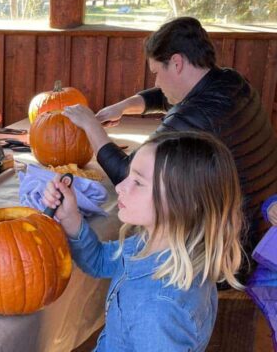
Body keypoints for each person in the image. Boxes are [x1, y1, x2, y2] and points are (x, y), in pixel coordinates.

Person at [63, 16, 277, 251]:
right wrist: (122, 107)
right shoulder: (230, 81)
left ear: (177, 63)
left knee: (142, 218)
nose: (155, 80)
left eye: (156, 71)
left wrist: (90, 125)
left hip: (229, 252)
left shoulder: (193, 117)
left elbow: (126, 173)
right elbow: (168, 95)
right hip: (263, 232)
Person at [43, 131, 244, 351]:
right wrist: (71, 218)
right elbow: (100, 261)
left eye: (138, 182)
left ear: (185, 203)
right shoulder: (154, 243)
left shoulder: (158, 309)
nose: (120, 187)